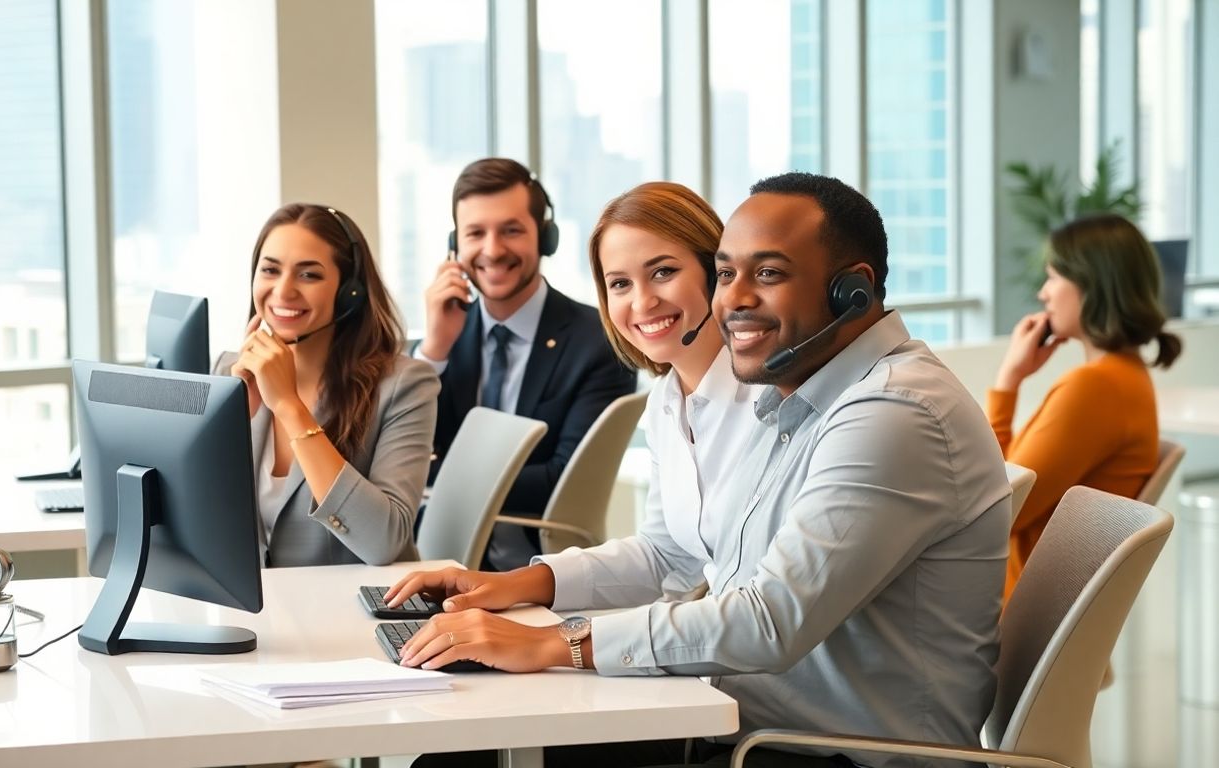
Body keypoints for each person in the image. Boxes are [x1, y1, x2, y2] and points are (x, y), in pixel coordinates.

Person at [388, 172, 1012, 768]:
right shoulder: (798, 398)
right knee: (460, 761)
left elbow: (769, 620)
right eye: (728, 274)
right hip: (747, 724)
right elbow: (679, 554)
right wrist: (517, 592)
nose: (734, 299)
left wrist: (555, 642)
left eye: (768, 273)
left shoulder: (892, 411)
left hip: (827, 753)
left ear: (852, 289)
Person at [415, 158, 636, 570]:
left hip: (544, 573)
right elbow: (401, 457)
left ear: (545, 237)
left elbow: (564, 481)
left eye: (511, 230)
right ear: (455, 245)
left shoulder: (599, 341)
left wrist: (435, 475)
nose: (492, 250)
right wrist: (434, 352)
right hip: (435, 564)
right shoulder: (441, 339)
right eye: (475, 233)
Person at [215, 202, 440, 568]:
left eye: (309, 275)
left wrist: (289, 407)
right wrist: (226, 423)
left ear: (350, 291)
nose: (283, 291)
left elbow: (384, 542)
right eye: (270, 270)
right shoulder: (229, 371)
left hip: (353, 599)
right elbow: (196, 516)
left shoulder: (404, 386)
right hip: (258, 600)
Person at [989, 213, 1182, 602]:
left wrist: (1007, 381)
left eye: (1053, 277)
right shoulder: (1127, 378)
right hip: (1034, 613)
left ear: (1093, 287)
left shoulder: (1096, 389)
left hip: (1008, 615)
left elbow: (998, 510)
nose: (1043, 293)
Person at [586, 181, 761, 599]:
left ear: (716, 273)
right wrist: (507, 584)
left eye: (663, 272)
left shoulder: (771, 398)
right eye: (620, 284)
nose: (642, 302)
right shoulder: (665, 401)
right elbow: (664, 554)